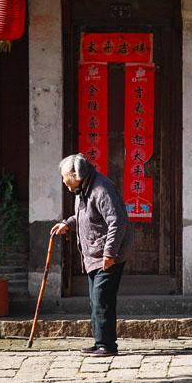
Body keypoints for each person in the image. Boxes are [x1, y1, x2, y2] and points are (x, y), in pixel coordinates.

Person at [51, 153, 133, 357]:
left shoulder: (101, 189)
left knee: (102, 299)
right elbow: (84, 216)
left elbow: (117, 221)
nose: (63, 181)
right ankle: (100, 343)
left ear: (74, 174)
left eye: (64, 176)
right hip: (94, 254)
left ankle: (107, 346)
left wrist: (109, 253)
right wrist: (67, 223)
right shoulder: (83, 189)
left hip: (108, 254)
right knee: (95, 300)